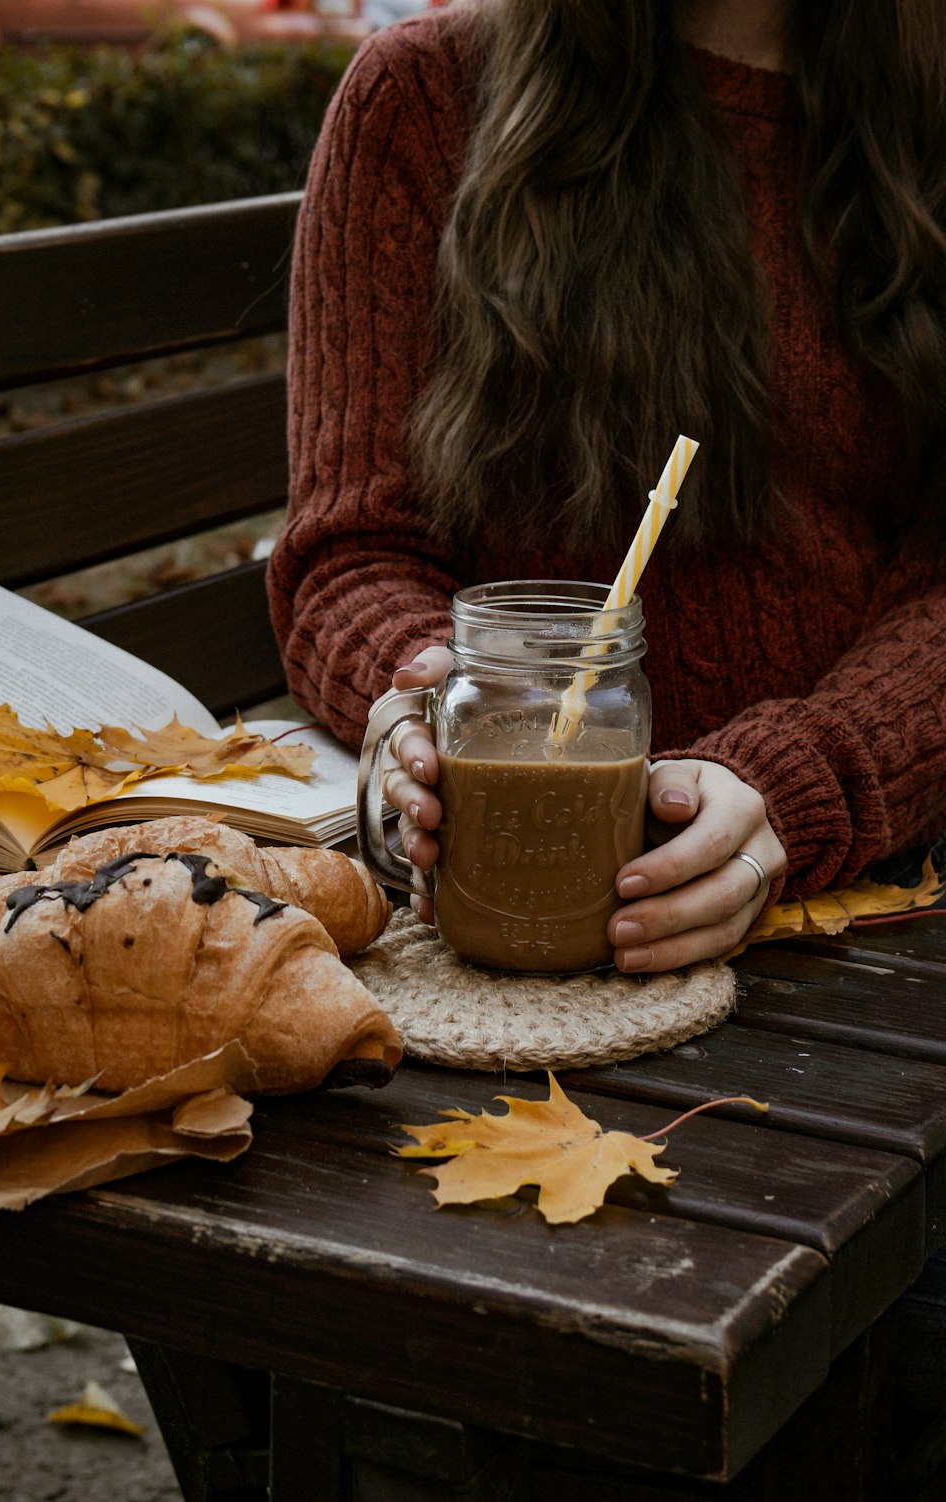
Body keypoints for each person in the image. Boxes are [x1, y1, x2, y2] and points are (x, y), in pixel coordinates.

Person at [268, 0, 946, 974]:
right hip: (504, 903)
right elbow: (352, 548)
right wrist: (428, 694)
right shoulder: (421, 99)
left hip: (881, 895)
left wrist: (806, 781)